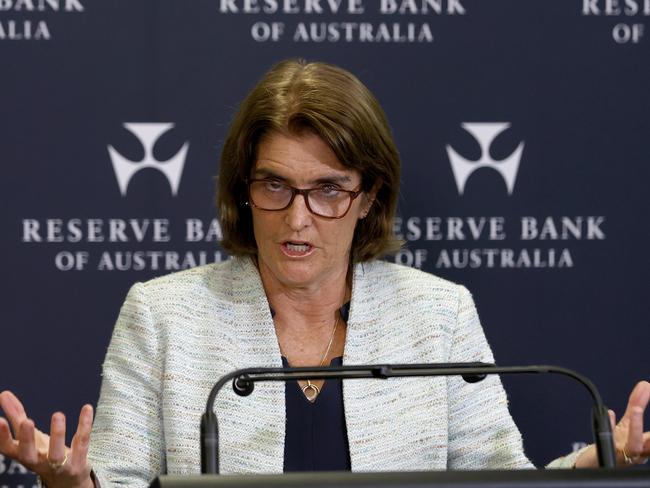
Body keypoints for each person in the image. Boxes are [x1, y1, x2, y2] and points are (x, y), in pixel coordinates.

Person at [0, 59, 648, 488]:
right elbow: (114, 479)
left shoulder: (438, 313)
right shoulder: (163, 313)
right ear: (243, 188)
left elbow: (497, 479)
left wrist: (596, 464)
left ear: (368, 197)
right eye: (275, 185)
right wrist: (72, 484)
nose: (298, 219)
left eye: (329, 190)